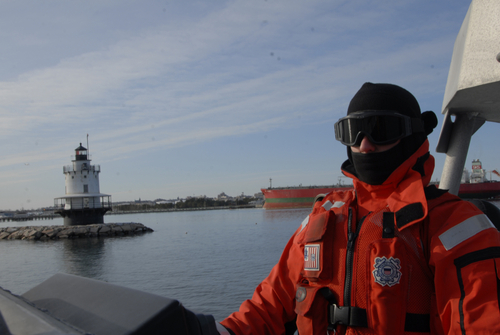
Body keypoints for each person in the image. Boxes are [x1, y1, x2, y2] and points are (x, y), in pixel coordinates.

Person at [217, 83, 500, 334]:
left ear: (413, 134)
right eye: (352, 132)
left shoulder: (453, 223)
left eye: (381, 130)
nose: (365, 145)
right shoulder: (324, 217)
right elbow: (270, 304)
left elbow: (483, 321)